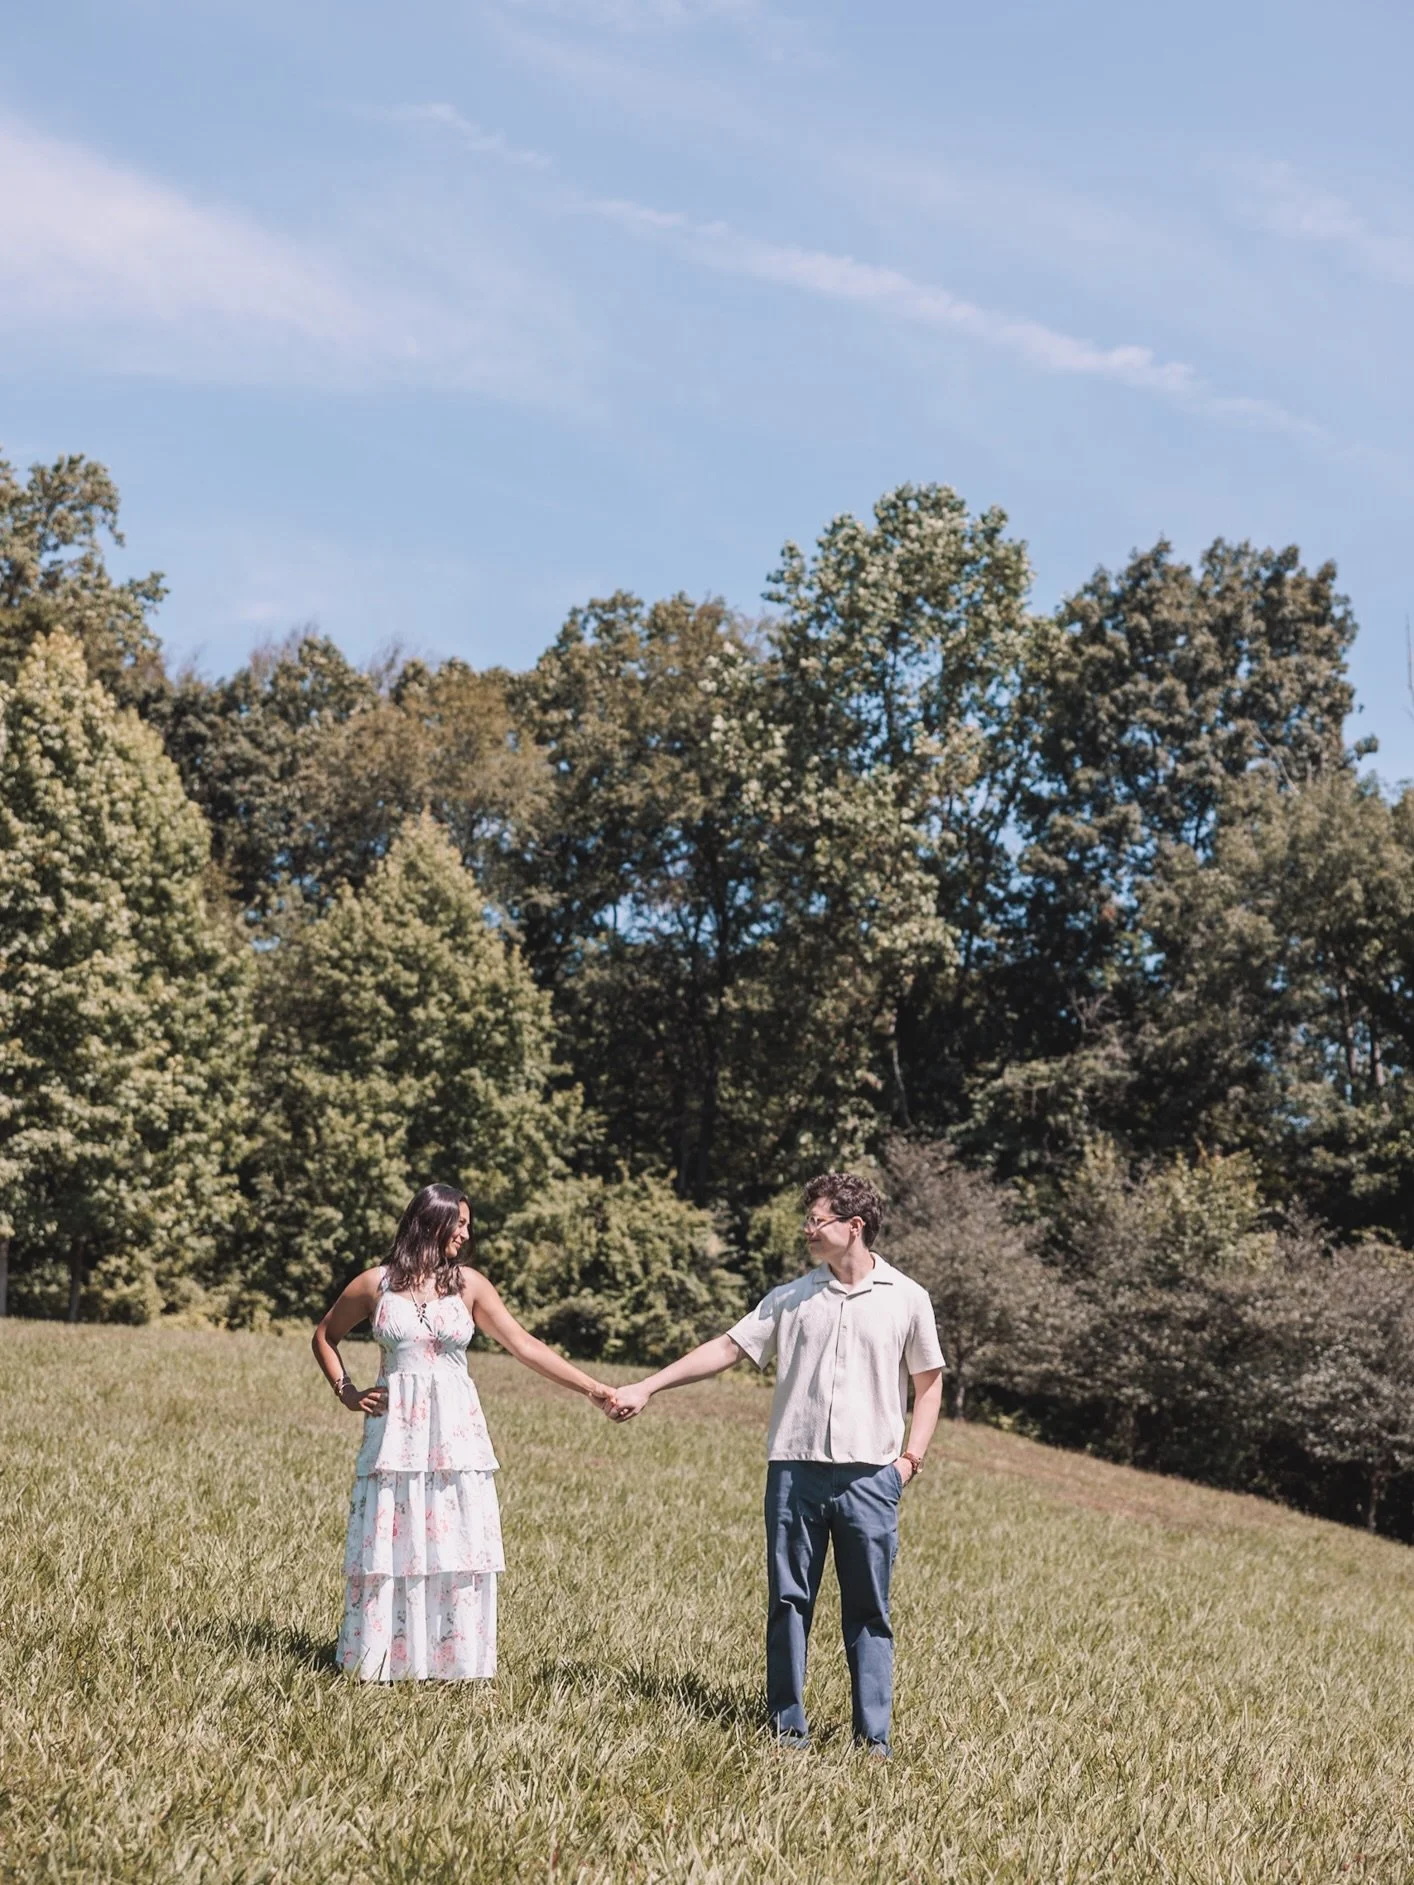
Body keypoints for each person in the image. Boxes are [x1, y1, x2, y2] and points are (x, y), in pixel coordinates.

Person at [611, 1171, 944, 1757]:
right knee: (789, 1601)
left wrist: (908, 1462)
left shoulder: (908, 1298)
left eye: (817, 1220)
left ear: (854, 1226)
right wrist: (649, 1385)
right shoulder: (791, 1298)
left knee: (870, 1611)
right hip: (794, 1474)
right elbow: (726, 1349)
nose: (807, 1229)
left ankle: (873, 1741)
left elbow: (929, 1382)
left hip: (873, 1478)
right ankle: (787, 1731)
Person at [312, 1181, 616, 1682]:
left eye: (468, 1224)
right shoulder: (375, 1284)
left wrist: (592, 1387)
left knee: (453, 1541)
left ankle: (450, 1661)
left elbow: (524, 1345)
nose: (466, 1233)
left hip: (455, 1435)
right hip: (396, 1437)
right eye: (461, 1223)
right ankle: (383, 1659)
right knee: (394, 1540)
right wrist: (345, 1390)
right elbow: (325, 1335)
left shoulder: (468, 1285)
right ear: (432, 1222)